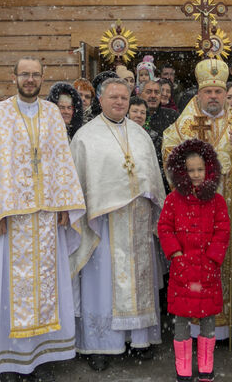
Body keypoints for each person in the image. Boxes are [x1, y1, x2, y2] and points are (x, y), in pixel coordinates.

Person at [0, 57, 87, 382]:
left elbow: (61, 160)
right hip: (8, 222)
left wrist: (67, 205)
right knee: (5, 292)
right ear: (14, 77)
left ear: (42, 77)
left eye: (35, 74)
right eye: (24, 74)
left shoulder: (53, 114)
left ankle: (39, 357)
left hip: (44, 220)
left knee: (45, 289)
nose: (29, 79)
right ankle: (6, 360)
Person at [70, 76, 167, 369]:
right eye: (113, 97)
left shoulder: (141, 135)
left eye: (124, 98)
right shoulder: (86, 136)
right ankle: (100, 345)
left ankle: (138, 340)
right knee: (103, 285)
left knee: (138, 283)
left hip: (137, 221)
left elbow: (151, 175)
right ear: (100, 100)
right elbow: (79, 182)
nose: (119, 102)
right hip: (103, 224)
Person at [161, 59, 232, 341]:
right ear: (199, 94)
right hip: (195, 214)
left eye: (218, 92)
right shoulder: (183, 124)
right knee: (198, 267)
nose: (213, 97)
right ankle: (199, 329)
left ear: (226, 94)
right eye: (208, 92)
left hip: (231, 206)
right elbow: (169, 156)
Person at [158, 139, 232, 382]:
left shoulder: (217, 201)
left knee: (208, 320)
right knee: (181, 321)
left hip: (207, 271)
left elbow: (223, 231)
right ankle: (183, 367)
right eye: (190, 170)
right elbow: (165, 228)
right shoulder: (173, 200)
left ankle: (206, 366)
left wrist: (213, 259)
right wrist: (176, 255)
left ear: (208, 170)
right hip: (182, 271)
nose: (196, 175)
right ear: (182, 172)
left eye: (200, 169)